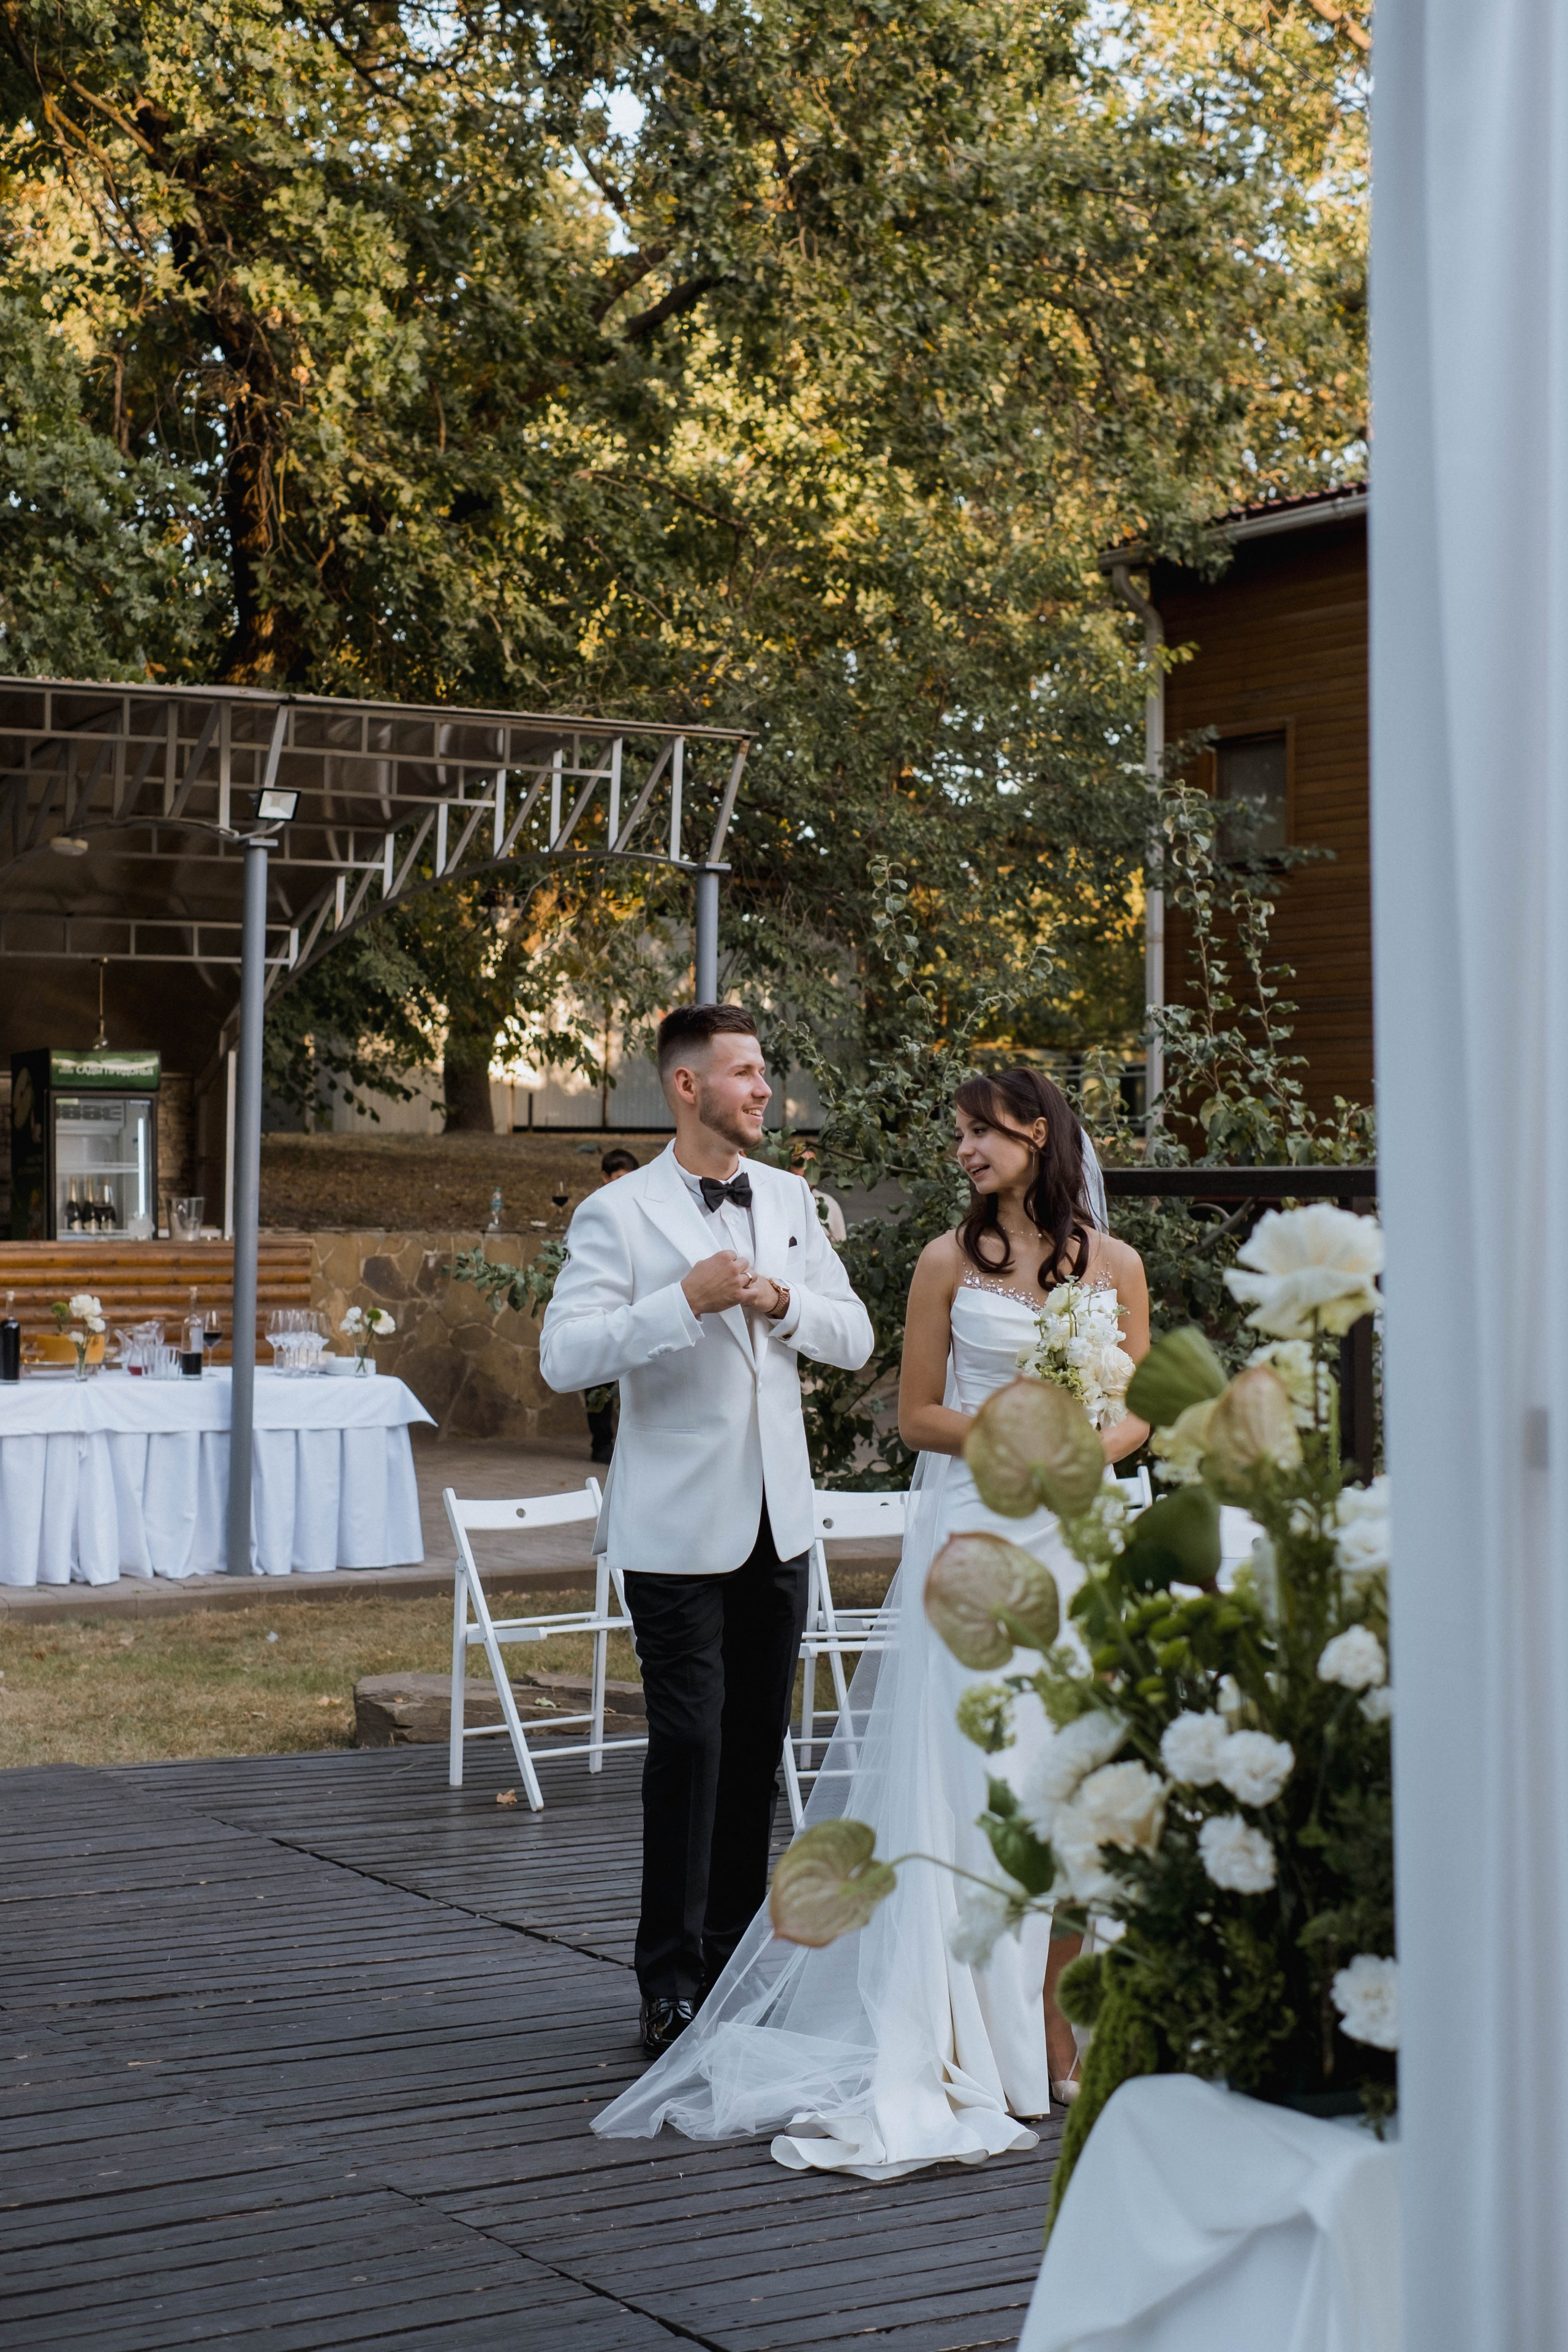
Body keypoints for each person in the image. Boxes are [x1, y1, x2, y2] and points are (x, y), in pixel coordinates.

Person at [592, 1066, 1148, 2178]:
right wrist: (1009, 1433)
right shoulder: (947, 1262)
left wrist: (1086, 1449)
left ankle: (1053, 2021)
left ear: (1035, 1134)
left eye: (979, 1134)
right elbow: (915, 1413)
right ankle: (948, 2028)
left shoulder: (1116, 1266)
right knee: (970, 1782)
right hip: (972, 1537)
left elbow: (1134, 1407)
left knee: (1074, 1778)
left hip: (1080, 1541)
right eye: (958, 1136)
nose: (964, 1154)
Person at [538, 1006, 875, 2059]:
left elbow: (855, 1335)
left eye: (765, 1071)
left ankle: (734, 1968)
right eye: (745, 1074)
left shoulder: (786, 1199)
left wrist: (782, 1299)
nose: (765, 1090)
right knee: (689, 1743)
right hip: (674, 1529)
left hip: (779, 1525)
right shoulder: (618, 1216)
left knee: (754, 1749)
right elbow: (565, 1358)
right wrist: (679, 1301)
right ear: (688, 1088)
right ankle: (669, 1981)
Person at [583, 1147, 640, 1463]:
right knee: (599, 1374)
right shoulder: (594, 1210)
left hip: (637, 1300)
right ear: (605, 1179)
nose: (624, 1185)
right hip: (603, 1302)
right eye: (619, 1179)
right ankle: (601, 1441)